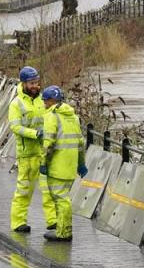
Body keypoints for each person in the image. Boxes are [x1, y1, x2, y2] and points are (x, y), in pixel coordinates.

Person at [8, 66, 57, 233]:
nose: (36, 85)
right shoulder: (16, 104)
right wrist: (35, 134)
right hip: (27, 154)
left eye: (37, 82)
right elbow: (15, 127)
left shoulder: (43, 100)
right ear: (23, 84)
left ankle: (53, 221)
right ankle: (18, 222)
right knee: (24, 190)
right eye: (32, 83)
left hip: (43, 152)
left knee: (48, 189)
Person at [39, 86, 87, 242]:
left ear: (51, 101)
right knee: (64, 197)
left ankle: (63, 232)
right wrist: (81, 163)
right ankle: (62, 228)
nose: (44, 104)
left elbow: (48, 142)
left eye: (45, 101)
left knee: (60, 199)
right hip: (70, 165)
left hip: (57, 166)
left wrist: (43, 162)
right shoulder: (73, 116)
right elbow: (80, 142)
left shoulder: (51, 116)